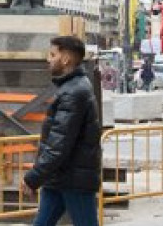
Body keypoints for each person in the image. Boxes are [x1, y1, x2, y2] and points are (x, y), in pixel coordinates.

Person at [22, 36, 101, 226]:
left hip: (74, 180)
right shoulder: (71, 87)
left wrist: (33, 178)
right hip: (60, 177)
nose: (48, 59)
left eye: (52, 54)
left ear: (65, 59)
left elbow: (59, 144)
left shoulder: (74, 92)